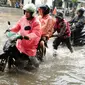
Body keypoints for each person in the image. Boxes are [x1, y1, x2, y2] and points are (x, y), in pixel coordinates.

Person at [1, 3, 41, 68]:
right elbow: (17, 26)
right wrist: (10, 30)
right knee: (12, 46)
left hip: (30, 44)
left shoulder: (36, 22)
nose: (26, 13)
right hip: (21, 40)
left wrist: (27, 36)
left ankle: (37, 67)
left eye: (28, 12)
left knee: (32, 58)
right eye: (25, 11)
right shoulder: (23, 18)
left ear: (32, 13)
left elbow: (36, 33)